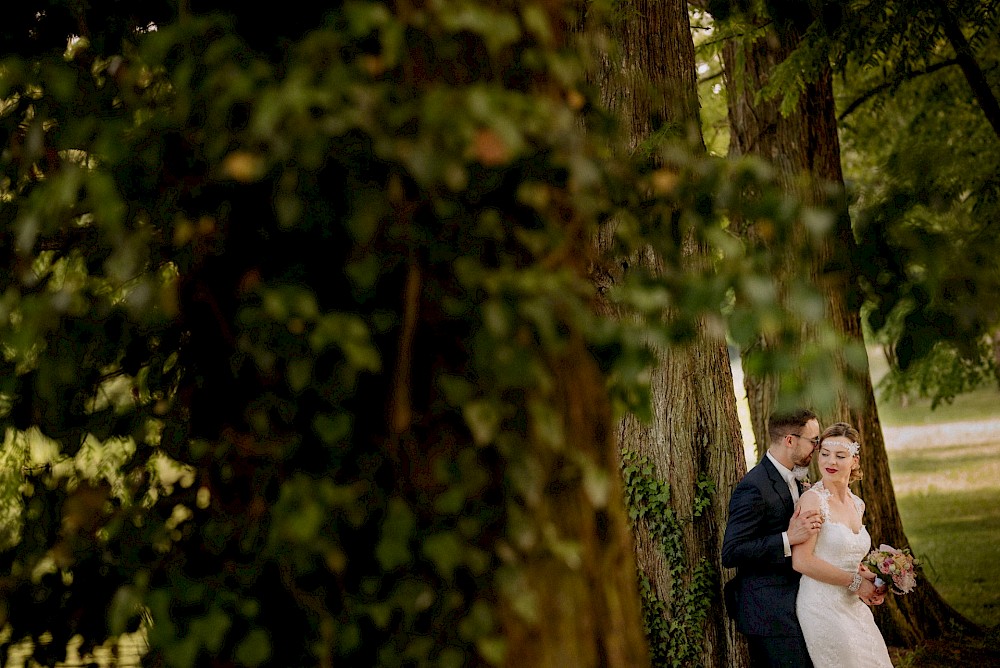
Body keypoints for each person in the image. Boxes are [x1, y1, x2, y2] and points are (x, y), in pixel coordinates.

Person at [723, 409, 824, 667]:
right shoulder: (754, 487)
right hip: (768, 611)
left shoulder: (799, 478)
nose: (817, 447)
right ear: (790, 440)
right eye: (813, 440)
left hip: (798, 602)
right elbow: (732, 552)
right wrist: (786, 539)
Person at [793, 422, 892, 667]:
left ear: (854, 461)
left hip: (851, 603)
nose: (831, 462)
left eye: (840, 456)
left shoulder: (857, 504)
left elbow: (848, 558)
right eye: (825, 454)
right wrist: (856, 583)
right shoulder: (812, 501)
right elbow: (802, 561)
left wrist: (872, 579)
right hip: (821, 604)